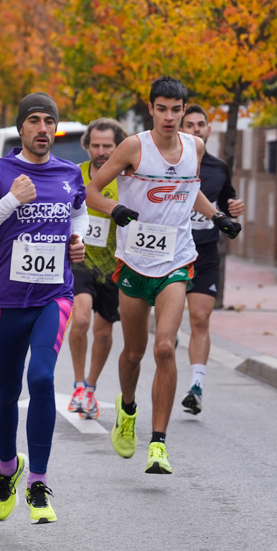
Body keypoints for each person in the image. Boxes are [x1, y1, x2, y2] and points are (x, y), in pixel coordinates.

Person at [85, 77, 242, 475]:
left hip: (176, 260)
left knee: (165, 348)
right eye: (162, 109)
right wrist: (114, 209)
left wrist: (217, 216)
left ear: (184, 110)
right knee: (134, 352)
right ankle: (127, 408)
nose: (170, 117)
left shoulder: (196, 147)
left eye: (177, 110)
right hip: (135, 262)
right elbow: (90, 191)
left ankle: (158, 443)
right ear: (150, 109)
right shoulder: (134, 147)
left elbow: (191, 192)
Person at [0, 92, 87, 524]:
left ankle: (37, 482)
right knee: (6, 391)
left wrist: (79, 241)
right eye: (34, 120)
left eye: (49, 121)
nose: (42, 129)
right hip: (6, 300)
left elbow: (78, 213)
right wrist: (12, 200)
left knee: (42, 378)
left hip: (54, 295)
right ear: (21, 128)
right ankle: (6, 469)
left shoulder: (69, 173)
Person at [179, 104, 245, 415]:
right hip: (171, 251)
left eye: (199, 124)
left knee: (200, 318)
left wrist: (234, 207)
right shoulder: (167, 164)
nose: (195, 129)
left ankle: (196, 386)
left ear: (208, 131)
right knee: (168, 323)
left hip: (205, 252)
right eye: (188, 124)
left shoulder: (219, 168)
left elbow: (227, 200)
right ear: (181, 130)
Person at [67, 118, 127, 419]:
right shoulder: (74, 175)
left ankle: (90, 388)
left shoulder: (128, 179)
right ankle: (78, 385)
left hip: (115, 265)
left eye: (108, 146)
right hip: (80, 259)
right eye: (96, 145)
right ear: (87, 146)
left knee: (104, 333)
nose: (101, 152)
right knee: (79, 319)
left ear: (118, 147)